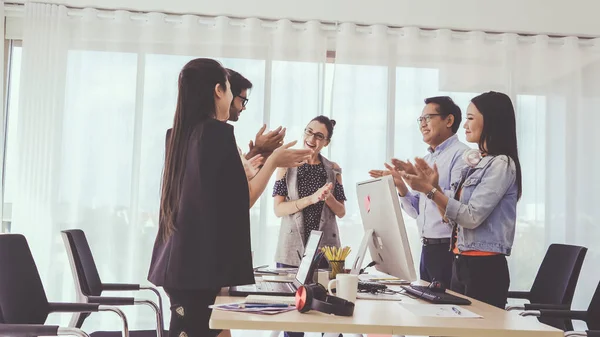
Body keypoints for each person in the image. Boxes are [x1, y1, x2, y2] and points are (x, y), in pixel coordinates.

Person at [147, 58, 313, 337]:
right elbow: (242, 200)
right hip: (195, 272)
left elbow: (214, 189)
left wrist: (260, 155)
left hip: (181, 266)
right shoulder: (216, 133)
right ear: (218, 91)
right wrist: (273, 161)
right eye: (229, 89)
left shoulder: (180, 135)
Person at [398, 91, 522, 309]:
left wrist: (430, 190)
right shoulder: (478, 163)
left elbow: (471, 217)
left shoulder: (501, 164)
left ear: (491, 121)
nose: (465, 125)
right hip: (461, 262)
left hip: (484, 267)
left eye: (471, 118)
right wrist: (433, 188)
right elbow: (450, 219)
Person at [369, 96, 468, 288]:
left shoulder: (461, 155)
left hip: (448, 249)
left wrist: (430, 188)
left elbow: (458, 207)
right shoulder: (427, 159)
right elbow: (417, 212)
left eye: (428, 118)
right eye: (420, 120)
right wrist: (401, 186)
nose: (422, 124)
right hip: (428, 249)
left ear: (449, 120)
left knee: (446, 313)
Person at [272, 115, 346, 337]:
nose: (312, 138)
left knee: (331, 318)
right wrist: (311, 199)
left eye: (319, 136)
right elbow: (279, 209)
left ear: (326, 142)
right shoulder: (286, 165)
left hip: (326, 252)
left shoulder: (334, 169)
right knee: (293, 319)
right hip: (291, 251)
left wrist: (326, 196)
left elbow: (341, 211)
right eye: (309, 131)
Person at [226, 68, 286, 177]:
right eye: (242, 101)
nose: (243, 108)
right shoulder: (215, 135)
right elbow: (232, 179)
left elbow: (235, 173)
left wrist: (257, 152)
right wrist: (269, 157)